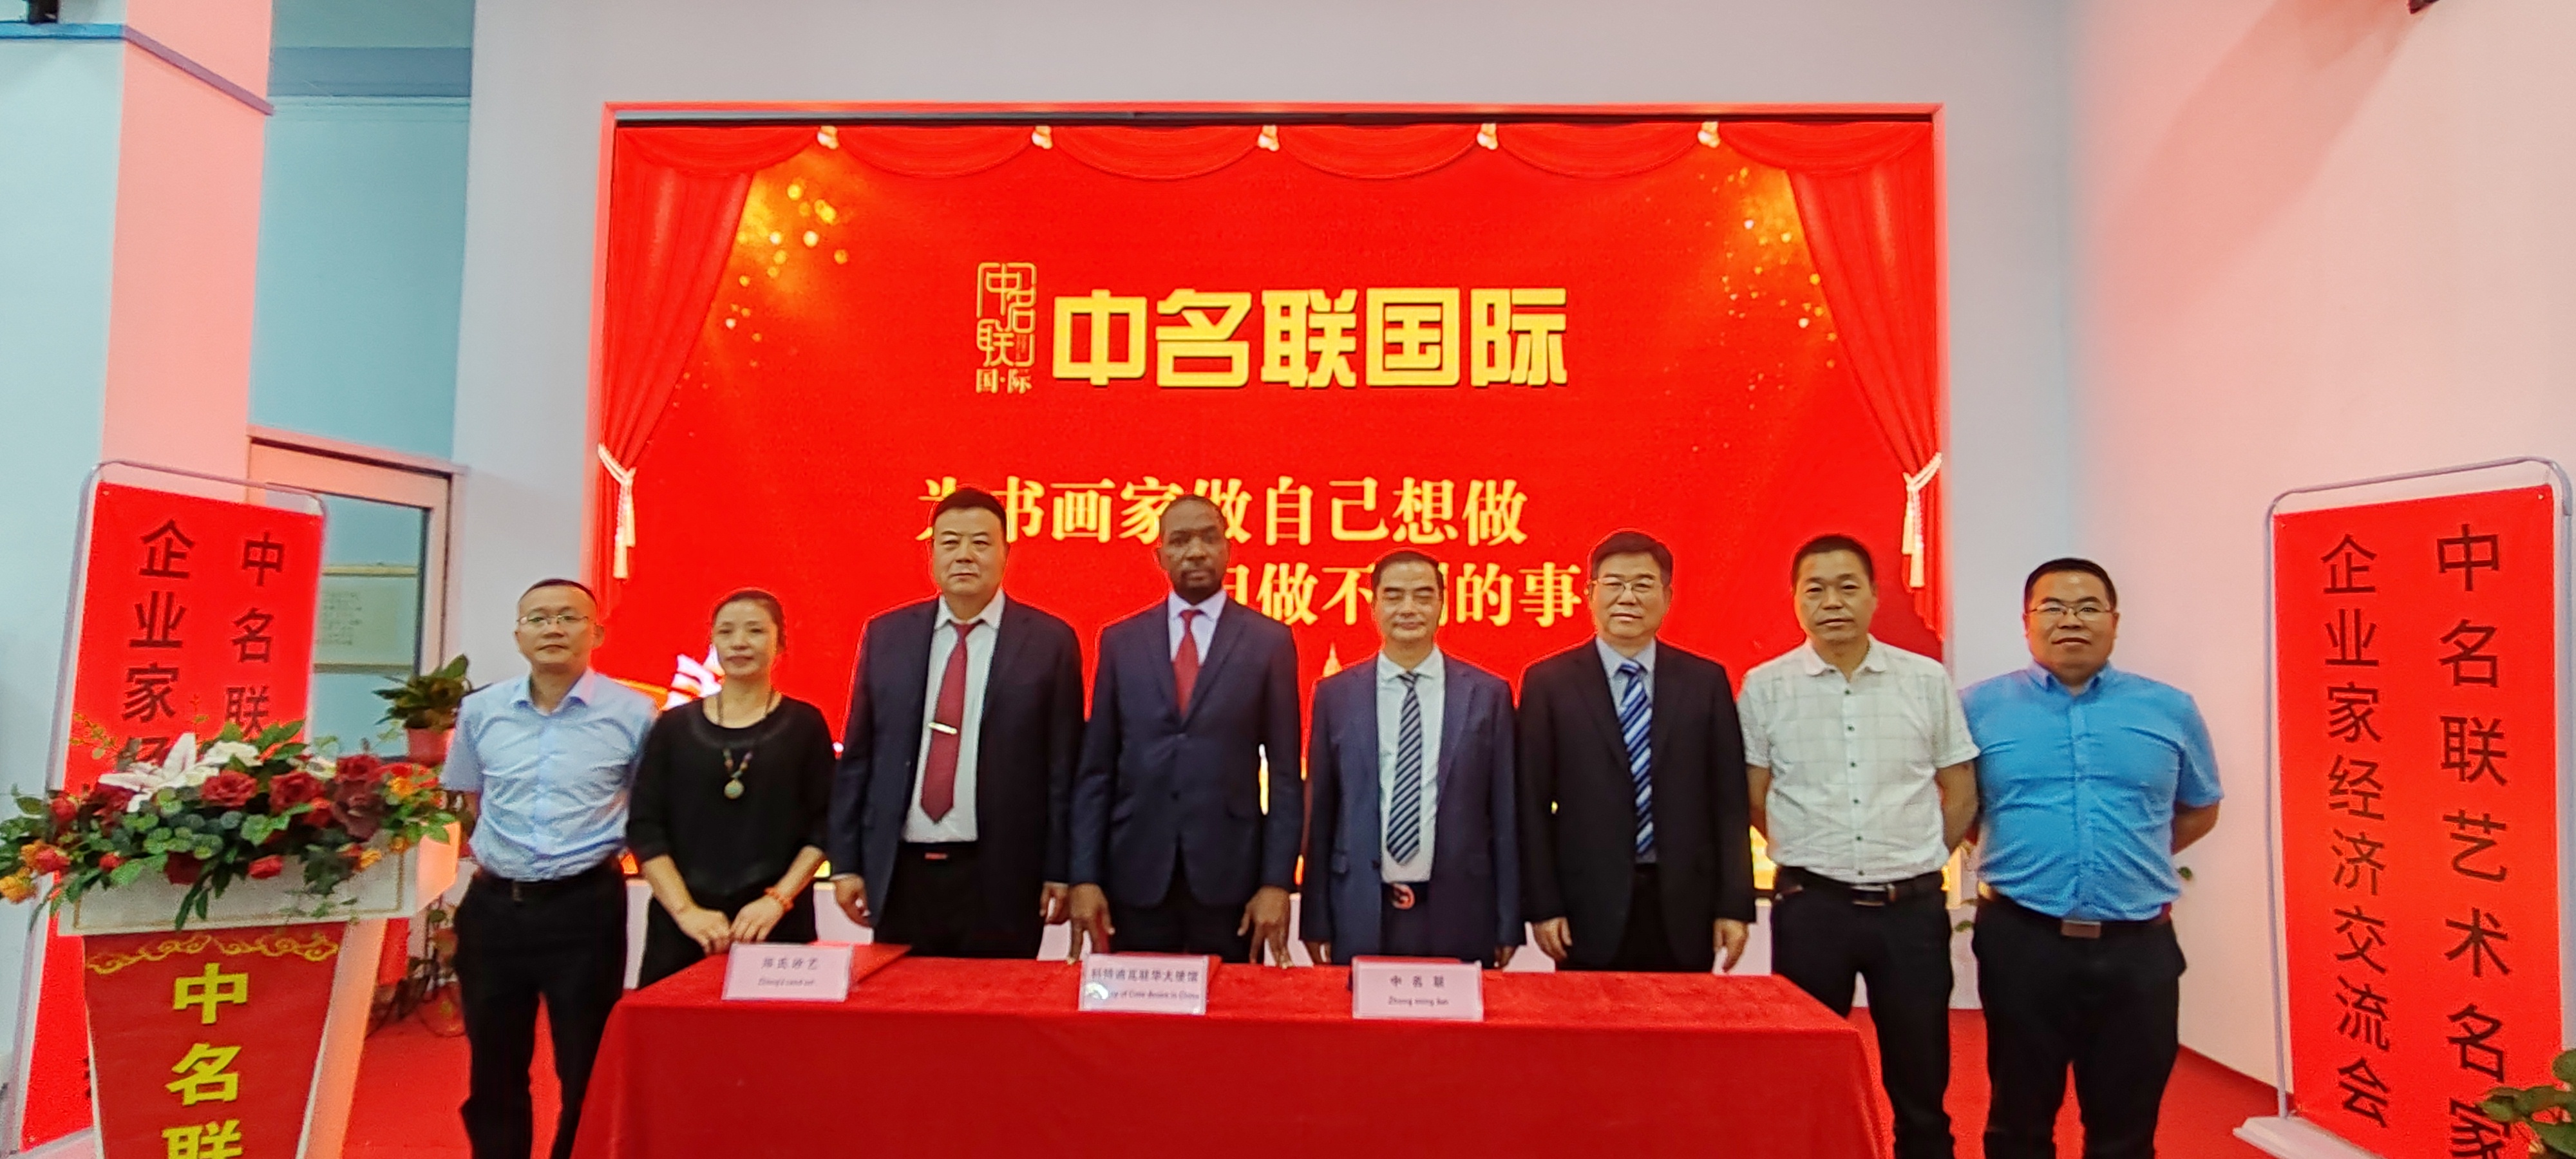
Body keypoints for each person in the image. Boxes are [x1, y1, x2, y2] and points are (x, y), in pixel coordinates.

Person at [1962, 558, 2222, 1159]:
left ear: (2114, 620)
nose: (2070, 620)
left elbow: (2200, 808)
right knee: (2018, 1121)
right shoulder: (1976, 708)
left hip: (2138, 947)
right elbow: (1961, 808)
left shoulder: (2171, 709)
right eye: (2052, 607)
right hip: (2023, 940)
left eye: (2087, 607)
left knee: (2126, 1130)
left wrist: (2128, 857)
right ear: (2027, 622)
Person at [1739, 534, 1978, 1159]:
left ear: (1874, 596)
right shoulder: (1764, 687)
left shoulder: (1924, 681)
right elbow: (1754, 797)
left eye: (1847, 587)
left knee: (1921, 1080)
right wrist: (1809, 847)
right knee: (1806, 1073)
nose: (1832, 603)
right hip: (1813, 909)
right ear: (1795, 600)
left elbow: (1960, 791)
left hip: (1911, 911)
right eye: (1815, 590)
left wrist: (1920, 856)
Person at [443, 578, 656, 1159]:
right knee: (493, 1065)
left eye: (568, 617)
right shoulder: (481, 710)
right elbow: (472, 799)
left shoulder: (635, 713)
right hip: (494, 910)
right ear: (518, 635)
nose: (553, 628)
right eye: (538, 619)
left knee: (585, 1063)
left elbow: (647, 806)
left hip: (583, 909)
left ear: (597, 633)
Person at [829, 487, 1085, 957]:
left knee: (996, 1002)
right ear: (931, 553)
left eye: (981, 543)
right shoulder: (887, 635)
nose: (964, 555)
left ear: (1006, 552)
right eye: (950, 543)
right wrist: (845, 863)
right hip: (902, 871)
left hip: (1004, 873)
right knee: (901, 1002)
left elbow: (1062, 768)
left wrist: (1061, 868)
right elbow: (859, 757)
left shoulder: (1049, 642)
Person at [1068, 494, 1302, 965]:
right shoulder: (1121, 641)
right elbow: (1097, 770)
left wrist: (1276, 883)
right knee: (1136, 1008)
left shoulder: (1268, 641)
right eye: (1180, 541)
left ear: (1228, 548)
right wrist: (1084, 876)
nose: (1195, 551)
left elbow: (1284, 776)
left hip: (1231, 875)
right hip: (1134, 872)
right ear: (1160, 556)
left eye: (1208, 538)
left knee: (1231, 1008)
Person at [1518, 530, 1752, 973]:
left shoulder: (1705, 682)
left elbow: (1729, 803)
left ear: (1667, 597)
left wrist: (1735, 905)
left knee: (1681, 1019)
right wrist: (1543, 905)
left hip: (1686, 905)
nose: (1628, 597)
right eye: (1614, 584)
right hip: (1586, 906)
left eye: (1643, 585)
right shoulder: (1549, 684)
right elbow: (1531, 804)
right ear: (1589, 594)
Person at [1302, 550, 1521, 967]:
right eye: (1394, 596)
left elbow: (1505, 814)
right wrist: (1315, 919)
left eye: (1423, 596)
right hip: (1361, 905)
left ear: (1443, 604)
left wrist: (1508, 922)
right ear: (1373, 606)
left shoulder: (1487, 695)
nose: (1408, 608)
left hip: (1462, 907)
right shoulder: (1336, 695)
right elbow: (1322, 814)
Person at [627, 589, 833, 988]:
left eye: (755, 631)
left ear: (780, 643)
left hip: (775, 921)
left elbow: (824, 826)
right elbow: (645, 828)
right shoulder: (673, 727)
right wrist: (686, 911)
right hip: (683, 926)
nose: (740, 642)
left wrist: (778, 901)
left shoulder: (805, 725)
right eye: (726, 632)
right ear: (713, 643)